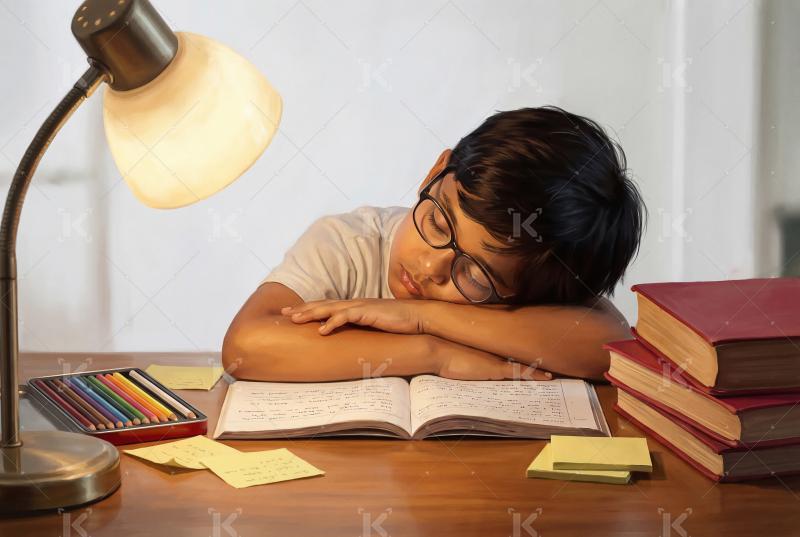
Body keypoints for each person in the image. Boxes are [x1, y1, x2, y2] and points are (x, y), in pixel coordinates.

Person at [222, 106, 645, 382]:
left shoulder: (536, 279)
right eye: (439, 222)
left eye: (475, 274)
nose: (430, 268)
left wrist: (420, 314)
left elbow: (609, 351)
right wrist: (431, 353)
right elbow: (246, 345)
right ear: (436, 171)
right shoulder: (350, 243)